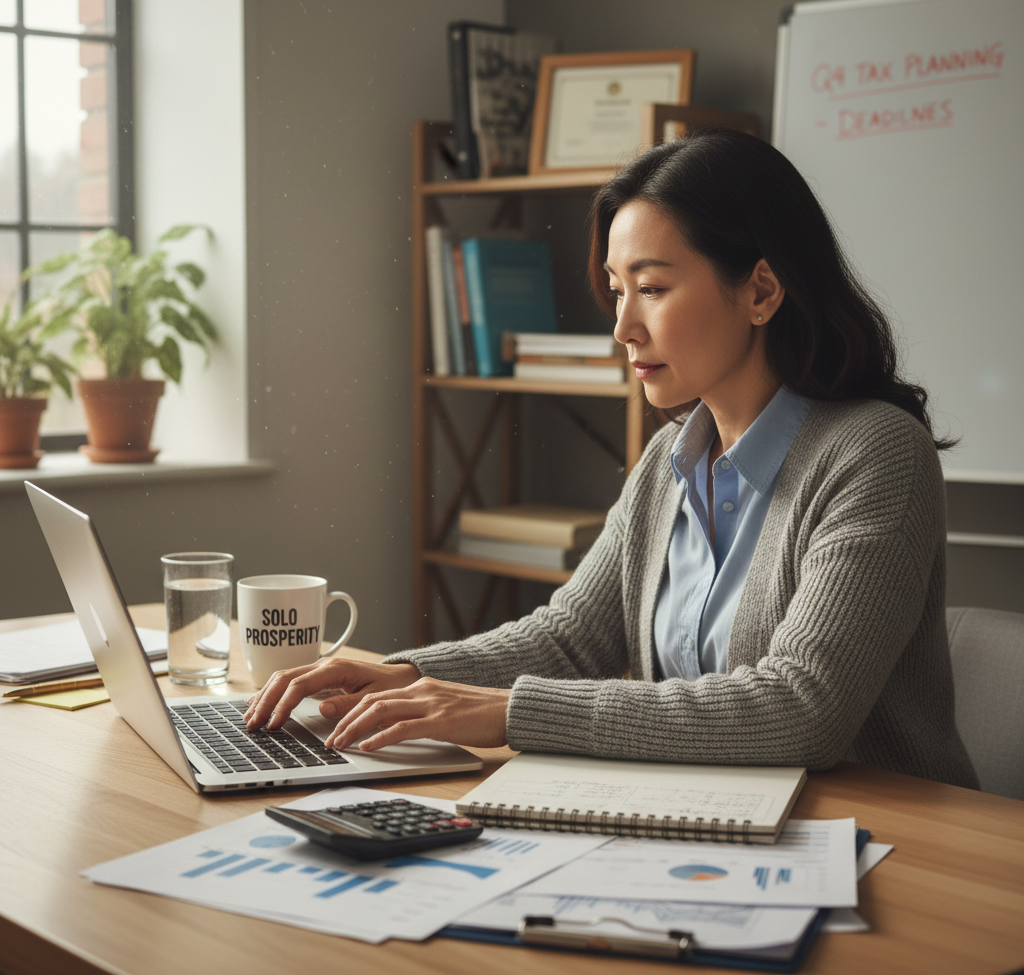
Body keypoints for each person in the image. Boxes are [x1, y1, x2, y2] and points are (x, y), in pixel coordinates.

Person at [246, 128, 978, 789]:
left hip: (889, 851)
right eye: (618, 290)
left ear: (759, 290)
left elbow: (801, 709)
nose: (623, 327)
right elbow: (567, 640)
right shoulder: (668, 460)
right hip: (717, 821)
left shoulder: (876, 454)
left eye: (653, 289)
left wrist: (508, 714)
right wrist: (400, 674)